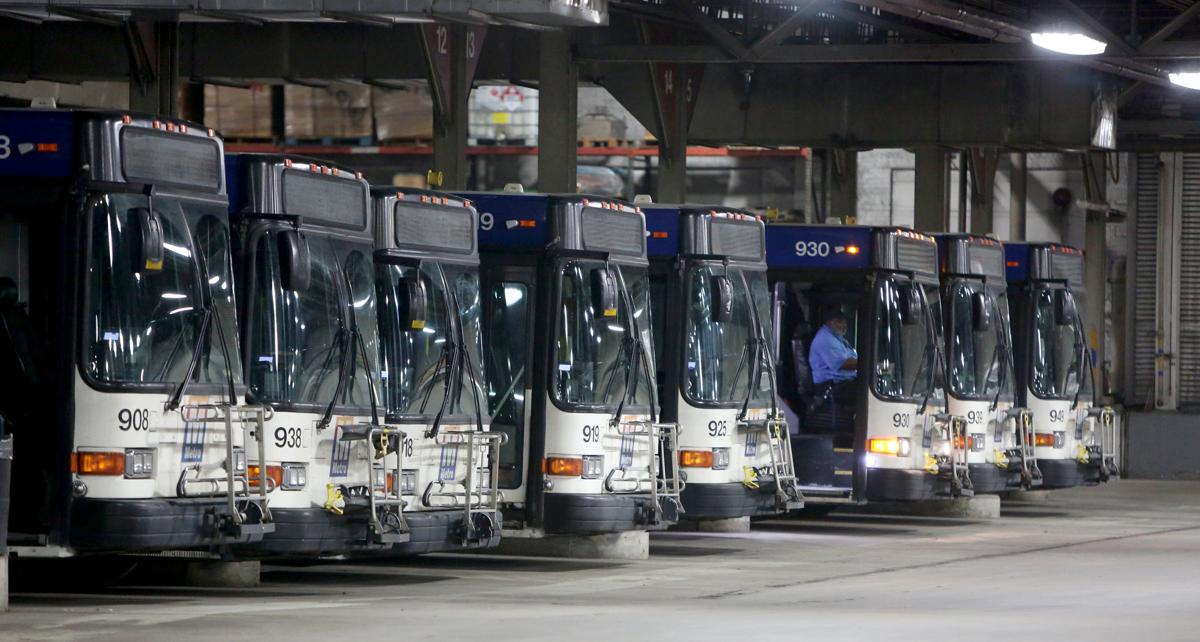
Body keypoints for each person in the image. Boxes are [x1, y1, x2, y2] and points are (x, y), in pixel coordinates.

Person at [809, 309, 857, 403]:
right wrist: (868, 364)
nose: (844, 326)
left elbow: (852, 356)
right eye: (840, 322)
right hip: (831, 386)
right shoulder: (825, 339)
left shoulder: (836, 338)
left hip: (843, 383)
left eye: (845, 323)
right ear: (830, 322)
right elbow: (844, 364)